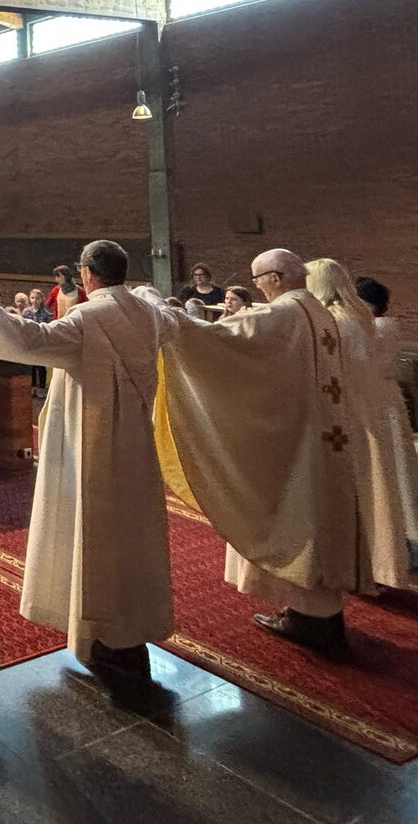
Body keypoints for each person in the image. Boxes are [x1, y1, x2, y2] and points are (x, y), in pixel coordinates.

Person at [0, 241, 180, 686]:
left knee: (99, 536)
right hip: (138, 445)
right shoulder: (149, 314)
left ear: (87, 274)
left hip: (98, 445)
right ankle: (133, 634)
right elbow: (172, 318)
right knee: (134, 537)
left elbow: (30, 340)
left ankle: (106, 639)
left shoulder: (88, 318)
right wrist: (150, 294)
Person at [159, 248, 364, 654]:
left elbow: (220, 341)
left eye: (257, 280)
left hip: (297, 443)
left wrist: (167, 317)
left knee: (296, 521)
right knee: (320, 520)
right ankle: (317, 613)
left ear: (274, 278)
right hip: (325, 435)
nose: (258, 288)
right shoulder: (318, 311)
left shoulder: (284, 313)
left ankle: (314, 621)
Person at [309, 260, 413, 590]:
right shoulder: (360, 319)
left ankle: (358, 560)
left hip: (347, 410)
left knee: (357, 485)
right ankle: (375, 556)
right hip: (369, 404)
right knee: (375, 481)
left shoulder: (336, 322)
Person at [355, 275, 418, 545]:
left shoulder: (377, 327)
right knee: (392, 458)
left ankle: (392, 524)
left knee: (387, 459)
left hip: (375, 396)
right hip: (384, 394)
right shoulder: (385, 325)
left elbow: (361, 361)